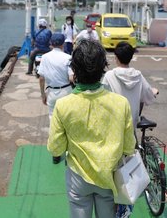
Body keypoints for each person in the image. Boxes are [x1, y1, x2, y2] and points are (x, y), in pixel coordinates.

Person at [48, 40, 136, 218]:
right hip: (110, 176)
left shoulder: (63, 105)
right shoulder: (120, 103)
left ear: (75, 70)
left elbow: (55, 148)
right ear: (103, 67)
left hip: (78, 177)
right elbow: (128, 147)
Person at [102, 41, 158, 132]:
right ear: (131, 57)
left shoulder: (109, 75)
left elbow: (102, 97)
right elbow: (148, 94)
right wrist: (154, 91)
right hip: (132, 123)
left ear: (116, 57)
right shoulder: (138, 76)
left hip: (114, 123)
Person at [38, 33, 74, 120]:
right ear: (63, 44)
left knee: (53, 118)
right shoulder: (68, 57)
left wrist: (43, 95)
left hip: (51, 92)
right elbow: (71, 78)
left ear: (51, 43)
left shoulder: (44, 57)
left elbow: (41, 78)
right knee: (66, 118)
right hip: (66, 92)